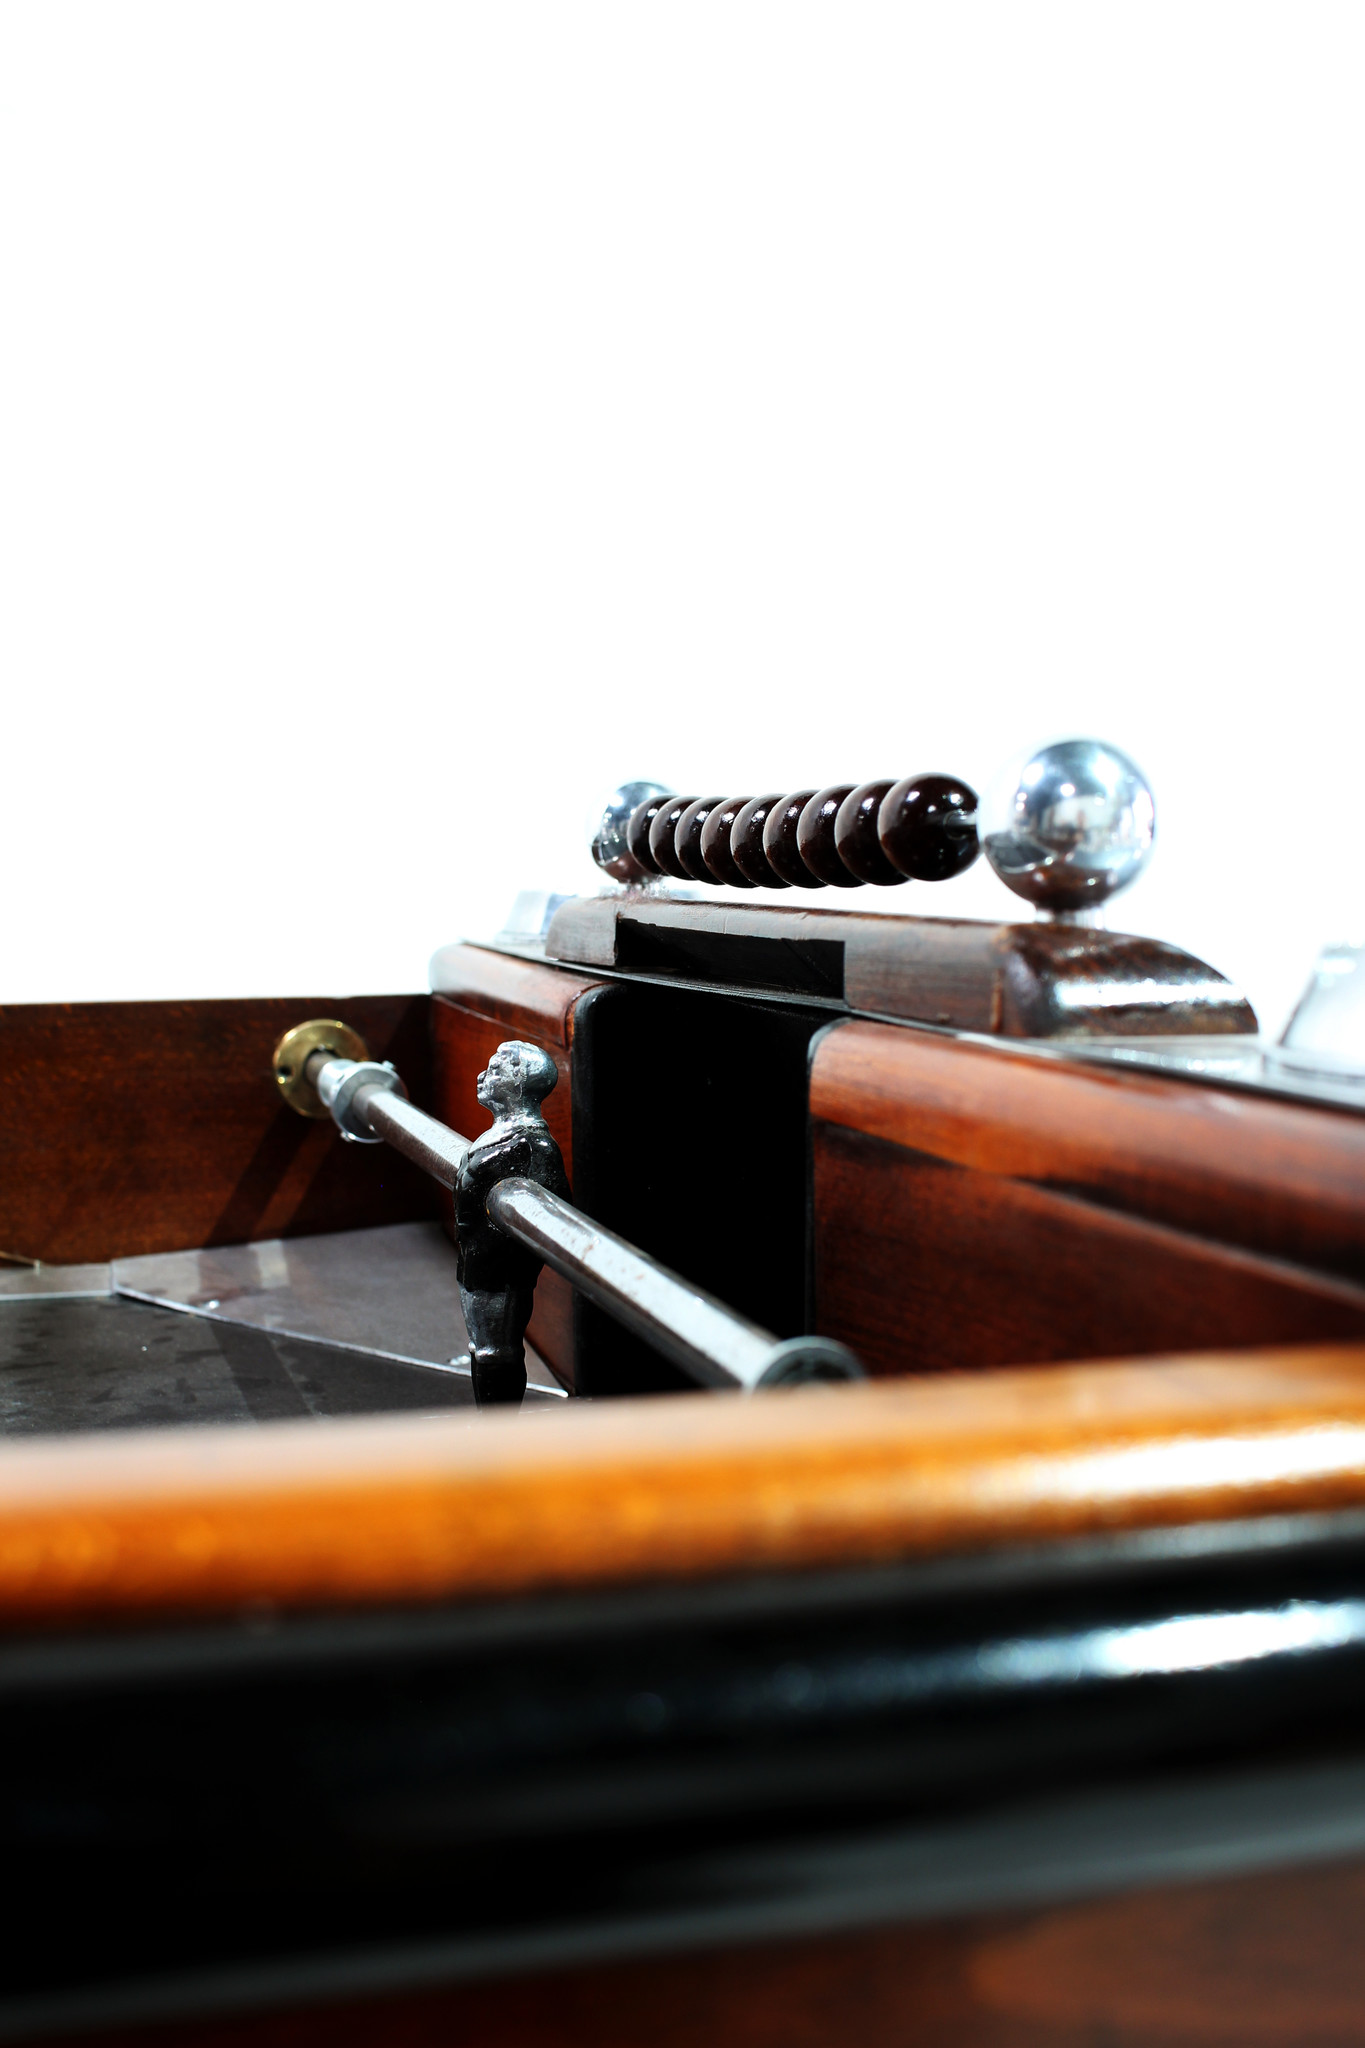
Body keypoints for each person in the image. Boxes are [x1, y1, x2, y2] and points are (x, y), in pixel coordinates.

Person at [453, 1039, 570, 1405]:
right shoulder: (500, 1137)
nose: (482, 1075)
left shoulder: (534, 1147)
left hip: (500, 1275)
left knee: (496, 1352)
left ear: (520, 1082)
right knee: (482, 1348)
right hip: (476, 1268)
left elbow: (557, 1215)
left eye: (496, 1070)